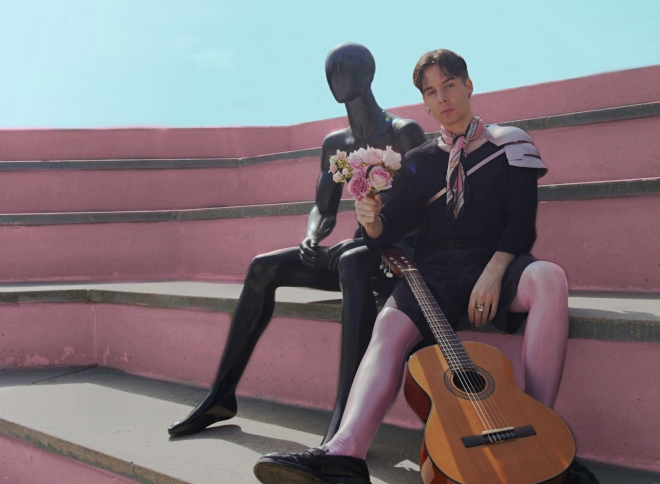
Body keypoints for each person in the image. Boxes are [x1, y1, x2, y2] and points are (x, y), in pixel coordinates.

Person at [254, 49, 598, 484]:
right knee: (388, 325)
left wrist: (493, 274)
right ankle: (345, 453)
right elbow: (391, 229)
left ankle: (539, 434)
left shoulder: (510, 143)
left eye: (449, 85)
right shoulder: (417, 160)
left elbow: (520, 223)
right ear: (425, 102)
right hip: (436, 273)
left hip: (498, 263)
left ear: (468, 86)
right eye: (431, 92)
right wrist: (372, 221)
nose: (442, 98)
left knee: (549, 277)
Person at [168, 43, 426, 442]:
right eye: (331, 72)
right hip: (359, 253)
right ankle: (220, 396)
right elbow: (324, 207)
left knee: (352, 261)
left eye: (345, 69)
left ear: (368, 75)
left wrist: (371, 242)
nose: (336, 78)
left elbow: (421, 209)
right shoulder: (336, 143)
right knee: (263, 267)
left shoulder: (402, 132)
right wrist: (312, 235)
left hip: (399, 259)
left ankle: (345, 422)